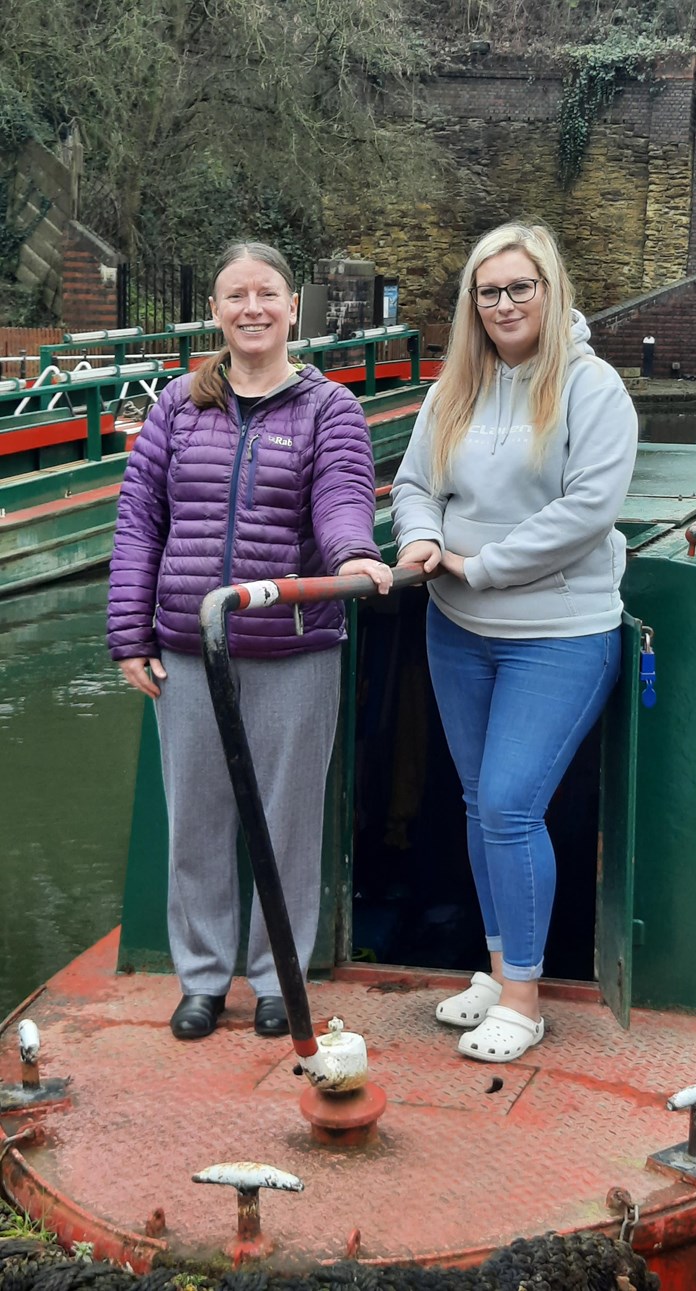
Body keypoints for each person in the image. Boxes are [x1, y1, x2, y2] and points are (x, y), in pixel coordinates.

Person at [107, 240, 392, 1041]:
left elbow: (340, 498)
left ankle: (276, 976)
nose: (252, 309)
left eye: (266, 293)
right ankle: (201, 978)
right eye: (236, 296)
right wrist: (129, 632)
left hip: (295, 649)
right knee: (194, 821)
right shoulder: (176, 405)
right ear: (217, 310)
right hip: (192, 649)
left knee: (287, 824)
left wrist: (354, 554)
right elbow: (139, 525)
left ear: (293, 305)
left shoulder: (328, 408)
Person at [391, 221, 638, 1064]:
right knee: (477, 803)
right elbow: (415, 483)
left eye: (518, 288)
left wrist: (479, 564)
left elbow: (586, 512)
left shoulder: (593, 388)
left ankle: (525, 1000)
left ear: (550, 290)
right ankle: (498, 971)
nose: (503, 304)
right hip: (456, 627)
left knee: (509, 803)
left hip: (558, 632)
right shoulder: (454, 385)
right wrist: (420, 540)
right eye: (487, 291)